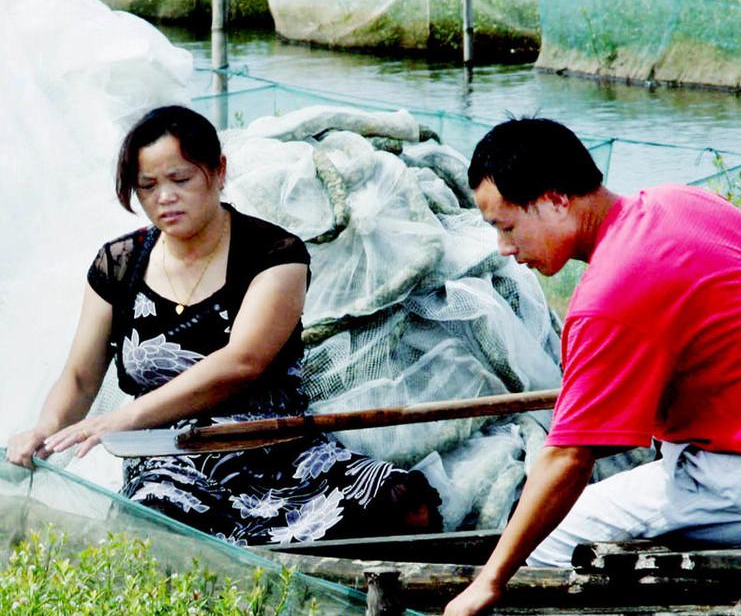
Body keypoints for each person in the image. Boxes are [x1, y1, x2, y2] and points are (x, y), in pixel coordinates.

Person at [437, 117, 741, 616]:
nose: (505, 248)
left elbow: (569, 456)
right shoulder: (678, 200)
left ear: (554, 200)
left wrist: (489, 581)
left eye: (506, 226)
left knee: (543, 544)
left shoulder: (610, 294)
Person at [7, 105, 440, 545]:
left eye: (181, 180)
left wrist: (123, 417)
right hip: (167, 454)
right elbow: (80, 376)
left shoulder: (274, 253)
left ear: (218, 171)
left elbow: (243, 362)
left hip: (272, 445)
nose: (165, 198)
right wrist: (46, 430)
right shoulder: (118, 264)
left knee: (406, 504)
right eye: (148, 186)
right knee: (161, 526)